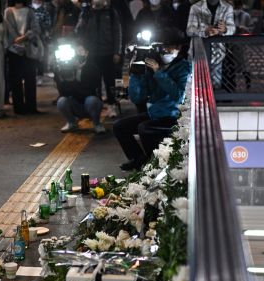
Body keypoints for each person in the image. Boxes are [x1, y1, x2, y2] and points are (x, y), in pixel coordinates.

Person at [113, 28, 191, 171]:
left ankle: (153, 165)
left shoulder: (184, 67)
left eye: (170, 47)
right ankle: (138, 159)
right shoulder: (153, 65)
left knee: (144, 128)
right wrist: (135, 73)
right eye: (163, 47)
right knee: (120, 126)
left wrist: (159, 73)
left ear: (178, 48)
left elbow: (178, 96)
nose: (166, 51)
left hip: (174, 116)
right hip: (155, 113)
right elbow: (138, 97)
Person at [75, 0, 122, 118]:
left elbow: (117, 33)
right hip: (91, 54)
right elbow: (79, 32)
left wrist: (117, 52)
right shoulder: (86, 12)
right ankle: (97, 106)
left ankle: (112, 106)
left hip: (108, 53)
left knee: (109, 81)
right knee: (93, 82)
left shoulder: (111, 13)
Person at [55, 41, 105, 134]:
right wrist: (60, 76)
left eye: (80, 51)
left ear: (86, 53)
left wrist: (73, 81)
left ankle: (97, 124)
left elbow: (89, 91)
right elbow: (62, 93)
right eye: (75, 51)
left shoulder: (92, 68)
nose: (78, 53)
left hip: (90, 104)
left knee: (92, 100)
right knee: (61, 101)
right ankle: (71, 123)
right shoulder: (65, 68)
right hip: (75, 104)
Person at [4, 0, 42, 115]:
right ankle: (19, 108)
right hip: (13, 50)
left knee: (30, 78)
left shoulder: (30, 11)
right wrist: (17, 39)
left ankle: (31, 107)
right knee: (15, 80)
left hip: (28, 50)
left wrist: (24, 37)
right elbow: (7, 29)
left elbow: (36, 29)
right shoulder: (8, 11)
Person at [186, 0, 234, 89]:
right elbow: (189, 30)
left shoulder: (227, 7)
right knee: (194, 85)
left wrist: (225, 29)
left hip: (218, 54)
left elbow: (232, 29)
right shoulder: (195, 7)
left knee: (214, 87)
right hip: (197, 51)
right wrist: (205, 31)